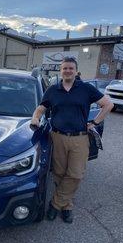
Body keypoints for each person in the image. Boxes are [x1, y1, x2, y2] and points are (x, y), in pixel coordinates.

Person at [31, 57, 113, 223]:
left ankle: (55, 204)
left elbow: (108, 105)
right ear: (61, 71)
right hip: (57, 137)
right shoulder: (53, 90)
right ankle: (67, 206)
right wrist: (35, 118)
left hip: (80, 138)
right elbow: (41, 108)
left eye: (71, 68)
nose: (67, 71)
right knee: (60, 173)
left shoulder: (86, 89)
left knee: (76, 174)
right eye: (65, 68)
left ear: (76, 71)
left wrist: (95, 122)